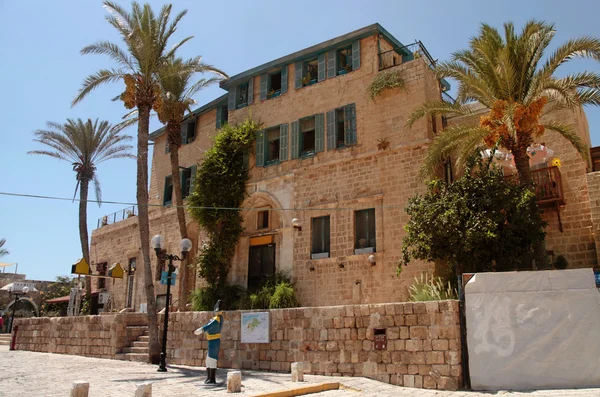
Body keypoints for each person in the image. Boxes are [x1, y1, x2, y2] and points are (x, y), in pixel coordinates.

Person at [194, 300, 224, 384]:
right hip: (211, 341)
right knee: (208, 360)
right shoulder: (218, 319)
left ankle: (212, 378)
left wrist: (200, 330)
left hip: (214, 342)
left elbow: (208, 326)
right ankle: (209, 377)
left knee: (212, 359)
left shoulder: (216, 320)